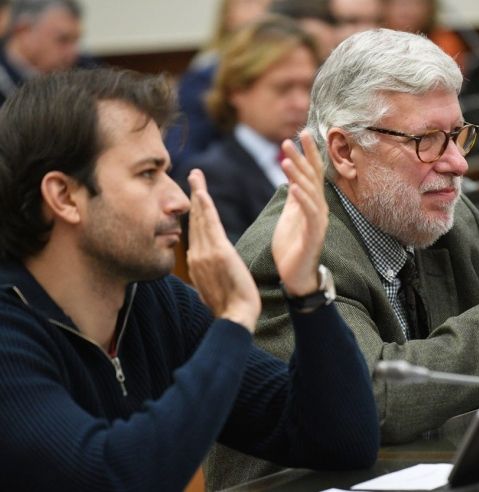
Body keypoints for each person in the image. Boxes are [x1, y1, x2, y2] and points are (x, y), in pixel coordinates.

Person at [233, 27, 479, 468]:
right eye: (427, 140)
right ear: (344, 151)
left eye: (457, 135)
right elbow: (368, 404)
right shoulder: (287, 254)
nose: (458, 163)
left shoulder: (452, 222)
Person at [0, 67, 379, 490]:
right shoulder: (8, 333)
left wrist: (306, 291)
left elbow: (341, 442)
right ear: (65, 196)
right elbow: (113, 477)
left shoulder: (157, 302)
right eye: (147, 174)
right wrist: (233, 319)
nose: (178, 199)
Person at [174, 15, 320, 243]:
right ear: (237, 90)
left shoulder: (323, 156)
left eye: (307, 87)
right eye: (284, 88)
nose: (302, 103)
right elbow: (234, 261)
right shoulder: (210, 176)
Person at [165, 0, 272, 170]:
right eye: (249, 3)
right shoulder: (205, 73)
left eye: (269, 4)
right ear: (227, 15)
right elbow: (184, 151)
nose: (262, 12)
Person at [0, 0, 82, 106]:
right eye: (63, 40)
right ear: (24, 31)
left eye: (75, 41)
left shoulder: (84, 68)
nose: (73, 53)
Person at [381, 0, 466, 68]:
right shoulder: (378, 39)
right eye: (400, 3)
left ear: (429, 8)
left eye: (416, 3)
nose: (406, 11)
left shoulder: (444, 41)